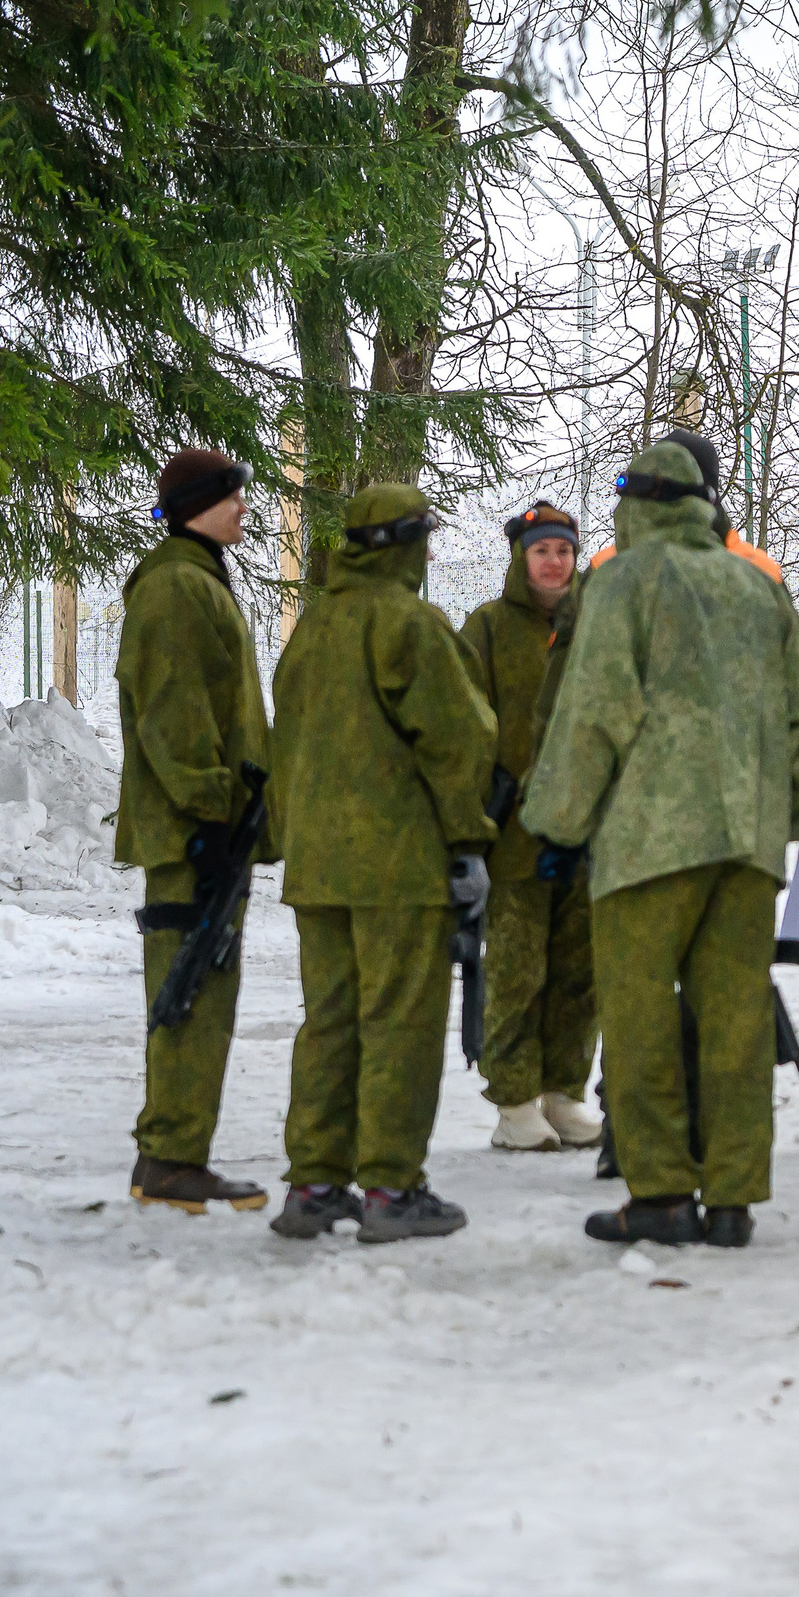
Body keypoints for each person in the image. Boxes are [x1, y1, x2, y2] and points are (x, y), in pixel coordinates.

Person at [524, 438, 799, 1249]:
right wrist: (797, 810)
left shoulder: (622, 580)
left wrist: (556, 821)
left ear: (639, 505)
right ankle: (732, 1197)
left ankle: (659, 1193)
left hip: (648, 842)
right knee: (735, 1020)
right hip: (747, 845)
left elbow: (594, 711)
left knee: (640, 1017)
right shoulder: (756, 586)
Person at [268, 484, 498, 1243]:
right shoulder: (411, 625)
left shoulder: (313, 629)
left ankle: (313, 1183)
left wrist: (291, 835)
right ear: (407, 543)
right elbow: (458, 741)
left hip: (318, 865)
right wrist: (468, 840)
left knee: (328, 1022)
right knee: (400, 1022)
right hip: (398, 865)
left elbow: (284, 743)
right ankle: (392, 1189)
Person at [117, 448, 277, 1214]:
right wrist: (212, 810)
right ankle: (172, 1158)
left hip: (207, 826)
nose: (244, 507)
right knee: (190, 991)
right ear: (200, 504)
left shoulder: (196, 577)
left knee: (200, 988)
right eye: (233, 496)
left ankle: (172, 1152)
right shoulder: (179, 587)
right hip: (195, 831)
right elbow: (174, 715)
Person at [459, 501, 600, 1154]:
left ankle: (563, 1093)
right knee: (517, 967)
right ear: (521, 557)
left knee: (580, 967)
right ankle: (514, 1101)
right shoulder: (488, 628)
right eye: (541, 550)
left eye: (564, 550)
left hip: (586, 827)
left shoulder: (596, 624)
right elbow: (466, 723)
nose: (554, 561)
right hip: (514, 831)